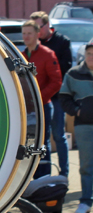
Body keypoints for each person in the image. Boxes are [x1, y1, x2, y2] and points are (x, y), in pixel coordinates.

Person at [31, 11, 72, 177]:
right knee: (40, 138)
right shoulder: (33, 46)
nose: (37, 31)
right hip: (37, 98)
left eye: (39, 27)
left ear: (48, 25)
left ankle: (64, 172)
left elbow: (64, 68)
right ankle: (40, 175)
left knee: (58, 135)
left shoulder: (61, 42)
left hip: (55, 96)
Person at [21, 20, 62, 178]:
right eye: (24, 33)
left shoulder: (47, 54)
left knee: (42, 143)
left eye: (29, 33)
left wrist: (38, 99)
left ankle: (44, 178)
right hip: (27, 109)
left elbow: (56, 81)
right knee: (29, 143)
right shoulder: (22, 56)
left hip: (43, 106)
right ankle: (30, 177)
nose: (26, 36)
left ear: (37, 34)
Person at [59, 43, 93, 213]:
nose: (90, 57)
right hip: (84, 125)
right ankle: (86, 201)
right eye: (88, 53)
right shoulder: (73, 74)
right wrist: (77, 111)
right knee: (87, 165)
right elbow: (64, 97)